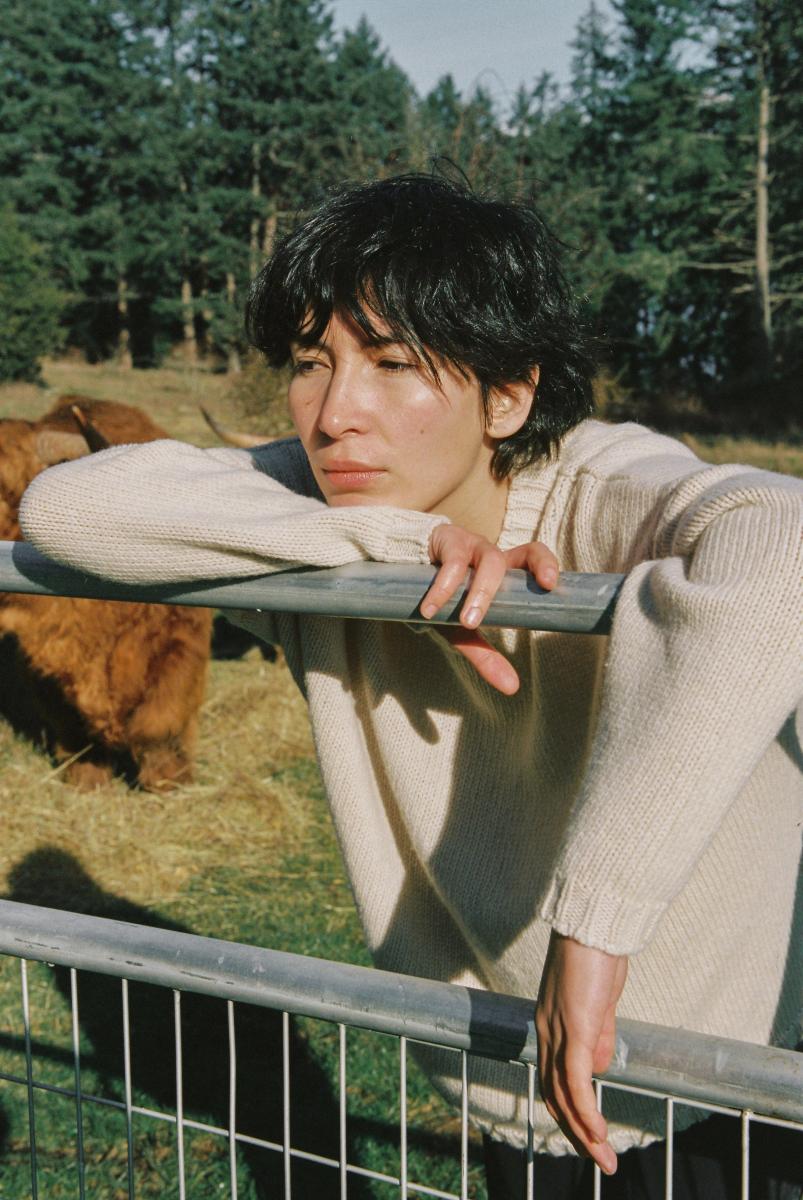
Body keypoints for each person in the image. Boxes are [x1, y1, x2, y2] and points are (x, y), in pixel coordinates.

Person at [19, 174, 802, 1198]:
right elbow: (63, 511)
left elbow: (780, 540)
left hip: (718, 1064)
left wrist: (597, 920)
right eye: (311, 363)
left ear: (507, 395)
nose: (336, 413)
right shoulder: (325, 507)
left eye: (392, 363)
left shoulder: (599, 487)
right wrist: (392, 545)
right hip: (511, 1073)